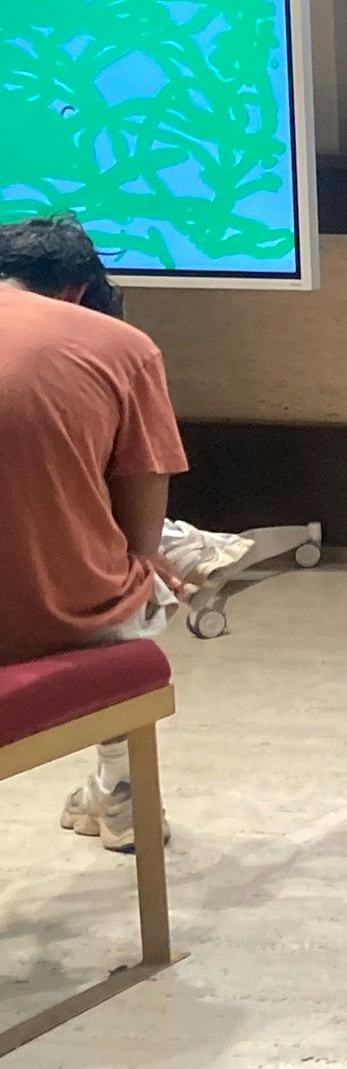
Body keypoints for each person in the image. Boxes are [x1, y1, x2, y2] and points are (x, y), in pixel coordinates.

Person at [0, 216, 193, 855]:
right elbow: (144, 481)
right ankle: (123, 789)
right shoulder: (121, 346)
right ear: (77, 290)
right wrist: (146, 559)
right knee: (145, 580)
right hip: (51, 620)